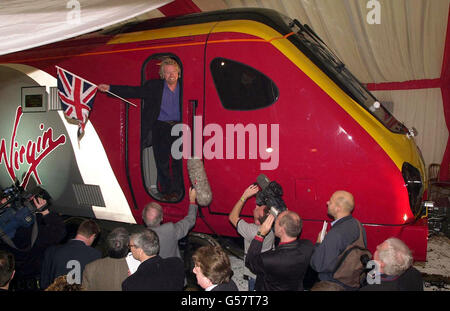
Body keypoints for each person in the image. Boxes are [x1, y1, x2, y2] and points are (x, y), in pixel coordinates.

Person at [98, 57, 183, 201]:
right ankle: (167, 192)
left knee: (178, 161)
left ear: (178, 73)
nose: (171, 75)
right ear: (162, 74)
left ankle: (178, 190)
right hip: (160, 127)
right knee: (161, 162)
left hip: (179, 128)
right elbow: (134, 91)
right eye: (167, 72)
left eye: (173, 72)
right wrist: (110, 88)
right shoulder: (155, 86)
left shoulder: (185, 86)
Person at [0, 196, 66, 291]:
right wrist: (45, 212)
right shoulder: (29, 233)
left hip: (17, 284)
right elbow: (58, 232)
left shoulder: (4, 236)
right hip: (36, 282)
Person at [310, 190, 367, 291]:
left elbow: (317, 265)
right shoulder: (358, 224)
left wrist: (319, 243)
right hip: (352, 282)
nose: (327, 202)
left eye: (330, 202)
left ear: (338, 208)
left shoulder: (336, 233)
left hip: (333, 285)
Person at [245, 210, 313, 291]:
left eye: (276, 222)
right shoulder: (307, 246)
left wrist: (260, 234)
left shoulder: (270, 259)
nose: (274, 224)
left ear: (282, 230)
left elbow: (250, 261)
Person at [228, 184, 275, 291]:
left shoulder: (253, 231)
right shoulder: (271, 226)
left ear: (259, 218)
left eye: (259, 208)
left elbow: (232, 217)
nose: (257, 206)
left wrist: (244, 196)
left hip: (255, 276)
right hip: (267, 271)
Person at [40, 219, 101, 290]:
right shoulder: (95, 255)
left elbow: (44, 283)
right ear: (93, 236)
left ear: (78, 231)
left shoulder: (52, 251)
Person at [142, 187, 198, 259]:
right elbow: (190, 220)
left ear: (143, 218)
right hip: (174, 268)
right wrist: (192, 200)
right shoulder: (170, 230)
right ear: (162, 218)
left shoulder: (141, 238)